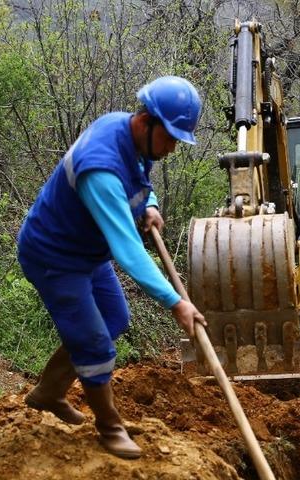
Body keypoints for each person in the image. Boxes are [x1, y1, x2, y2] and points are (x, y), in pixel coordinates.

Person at [16, 76, 207, 460]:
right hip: (55, 257)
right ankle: (110, 427)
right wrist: (176, 302)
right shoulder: (99, 168)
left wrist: (149, 203)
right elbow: (128, 251)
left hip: (87, 253)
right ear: (147, 121)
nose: (171, 148)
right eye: (169, 137)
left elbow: (138, 177)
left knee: (115, 319)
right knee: (94, 345)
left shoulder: (129, 133)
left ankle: (48, 393)